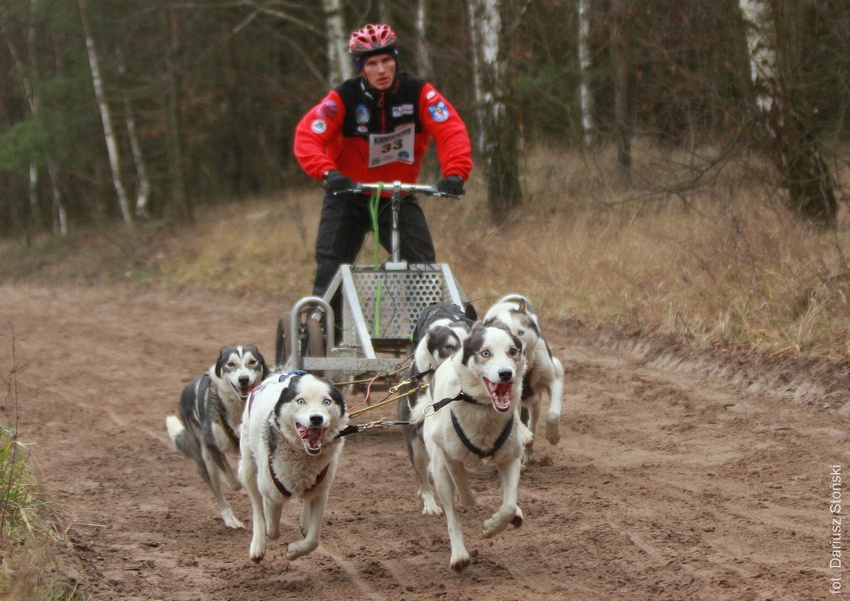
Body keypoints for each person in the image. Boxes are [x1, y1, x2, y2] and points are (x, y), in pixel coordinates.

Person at [294, 23, 473, 298]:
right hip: (347, 194)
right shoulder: (343, 98)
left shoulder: (419, 92)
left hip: (396, 195)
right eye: (373, 63)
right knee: (331, 271)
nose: (381, 70)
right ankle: (328, 331)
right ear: (361, 68)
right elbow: (307, 136)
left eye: (387, 61)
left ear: (396, 61)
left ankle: (423, 332)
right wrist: (328, 172)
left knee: (422, 266)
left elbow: (451, 130)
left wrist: (455, 173)